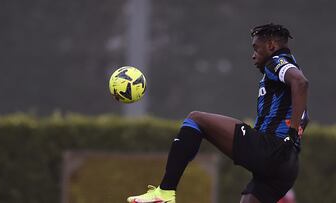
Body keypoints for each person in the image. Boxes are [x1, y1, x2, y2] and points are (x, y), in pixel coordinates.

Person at [127, 23, 309, 203]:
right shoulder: (290, 67)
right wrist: (292, 136)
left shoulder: (276, 62)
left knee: (195, 119)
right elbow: (304, 116)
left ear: (270, 45)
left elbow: (301, 83)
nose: (253, 56)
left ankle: (165, 192)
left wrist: (290, 133)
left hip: (272, 149)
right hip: (288, 165)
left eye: (256, 48)